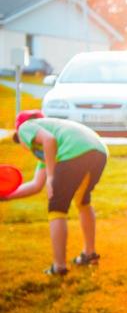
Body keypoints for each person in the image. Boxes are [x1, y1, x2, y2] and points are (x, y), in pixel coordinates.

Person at [3, 110, 109, 276]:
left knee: (57, 208)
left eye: (19, 140)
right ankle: (90, 254)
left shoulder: (26, 127)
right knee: (82, 201)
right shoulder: (51, 150)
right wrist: (5, 196)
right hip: (98, 150)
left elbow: (48, 140)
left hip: (76, 151)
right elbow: (36, 185)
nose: (23, 144)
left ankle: (59, 266)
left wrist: (51, 177)